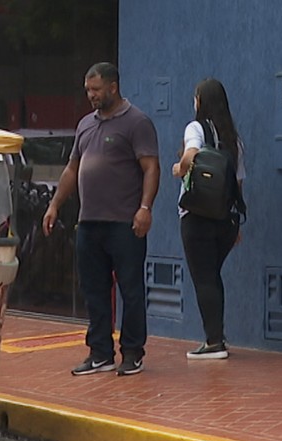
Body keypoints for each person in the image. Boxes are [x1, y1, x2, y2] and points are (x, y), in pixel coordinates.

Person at [43, 62, 160, 377]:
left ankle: (133, 352)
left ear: (113, 87)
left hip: (124, 223)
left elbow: (151, 167)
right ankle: (100, 353)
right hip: (90, 222)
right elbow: (71, 169)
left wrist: (145, 208)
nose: (91, 96)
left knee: (131, 289)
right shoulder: (85, 125)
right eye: (88, 91)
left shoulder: (137, 123)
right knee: (93, 289)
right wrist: (55, 204)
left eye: (96, 90)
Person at [171, 78, 244, 360]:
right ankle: (218, 335)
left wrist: (179, 168)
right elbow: (239, 183)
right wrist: (235, 221)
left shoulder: (196, 127)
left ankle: (214, 342)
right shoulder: (232, 138)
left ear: (200, 101)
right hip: (224, 220)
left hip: (196, 216)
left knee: (203, 278)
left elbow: (191, 154)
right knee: (212, 276)